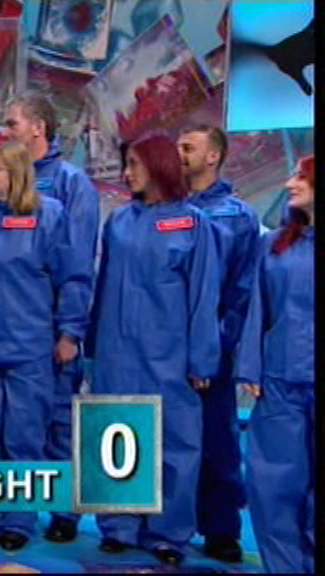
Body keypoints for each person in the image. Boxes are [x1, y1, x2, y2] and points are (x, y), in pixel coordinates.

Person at [0, 140, 89, 550]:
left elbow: (72, 278)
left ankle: (19, 522)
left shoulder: (50, 216)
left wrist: (69, 333)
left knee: (25, 436)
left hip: (32, 346)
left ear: (18, 174)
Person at [85, 133, 221, 567]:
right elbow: (102, 287)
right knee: (116, 435)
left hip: (170, 354)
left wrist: (202, 359)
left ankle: (168, 533)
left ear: (158, 165)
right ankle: (118, 526)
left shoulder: (193, 225)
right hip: (116, 351)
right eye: (125, 164)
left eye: (134, 165)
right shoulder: (119, 222)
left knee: (175, 444)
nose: (126, 174)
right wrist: (93, 344)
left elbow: (204, 297)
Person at [2, 92, 99, 544]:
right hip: (10, 330)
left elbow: (77, 265)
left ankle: (64, 511)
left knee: (60, 423)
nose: (5, 132)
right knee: (14, 427)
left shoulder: (71, 184)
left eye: (12, 124)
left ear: (38, 128)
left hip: (52, 329)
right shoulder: (4, 181)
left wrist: (70, 331)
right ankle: (15, 512)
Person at [177, 125, 260, 563]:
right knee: (167, 437)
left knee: (217, 439)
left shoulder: (237, 217)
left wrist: (214, 346)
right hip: (165, 348)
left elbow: (242, 290)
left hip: (214, 348)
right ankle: (166, 522)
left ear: (213, 156)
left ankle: (221, 528)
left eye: (188, 147)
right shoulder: (166, 209)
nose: (179, 153)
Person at [234, 155, 315, 574]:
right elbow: (257, 307)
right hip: (281, 380)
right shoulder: (275, 244)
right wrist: (251, 365)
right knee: (272, 486)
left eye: (300, 176)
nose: (288, 184)